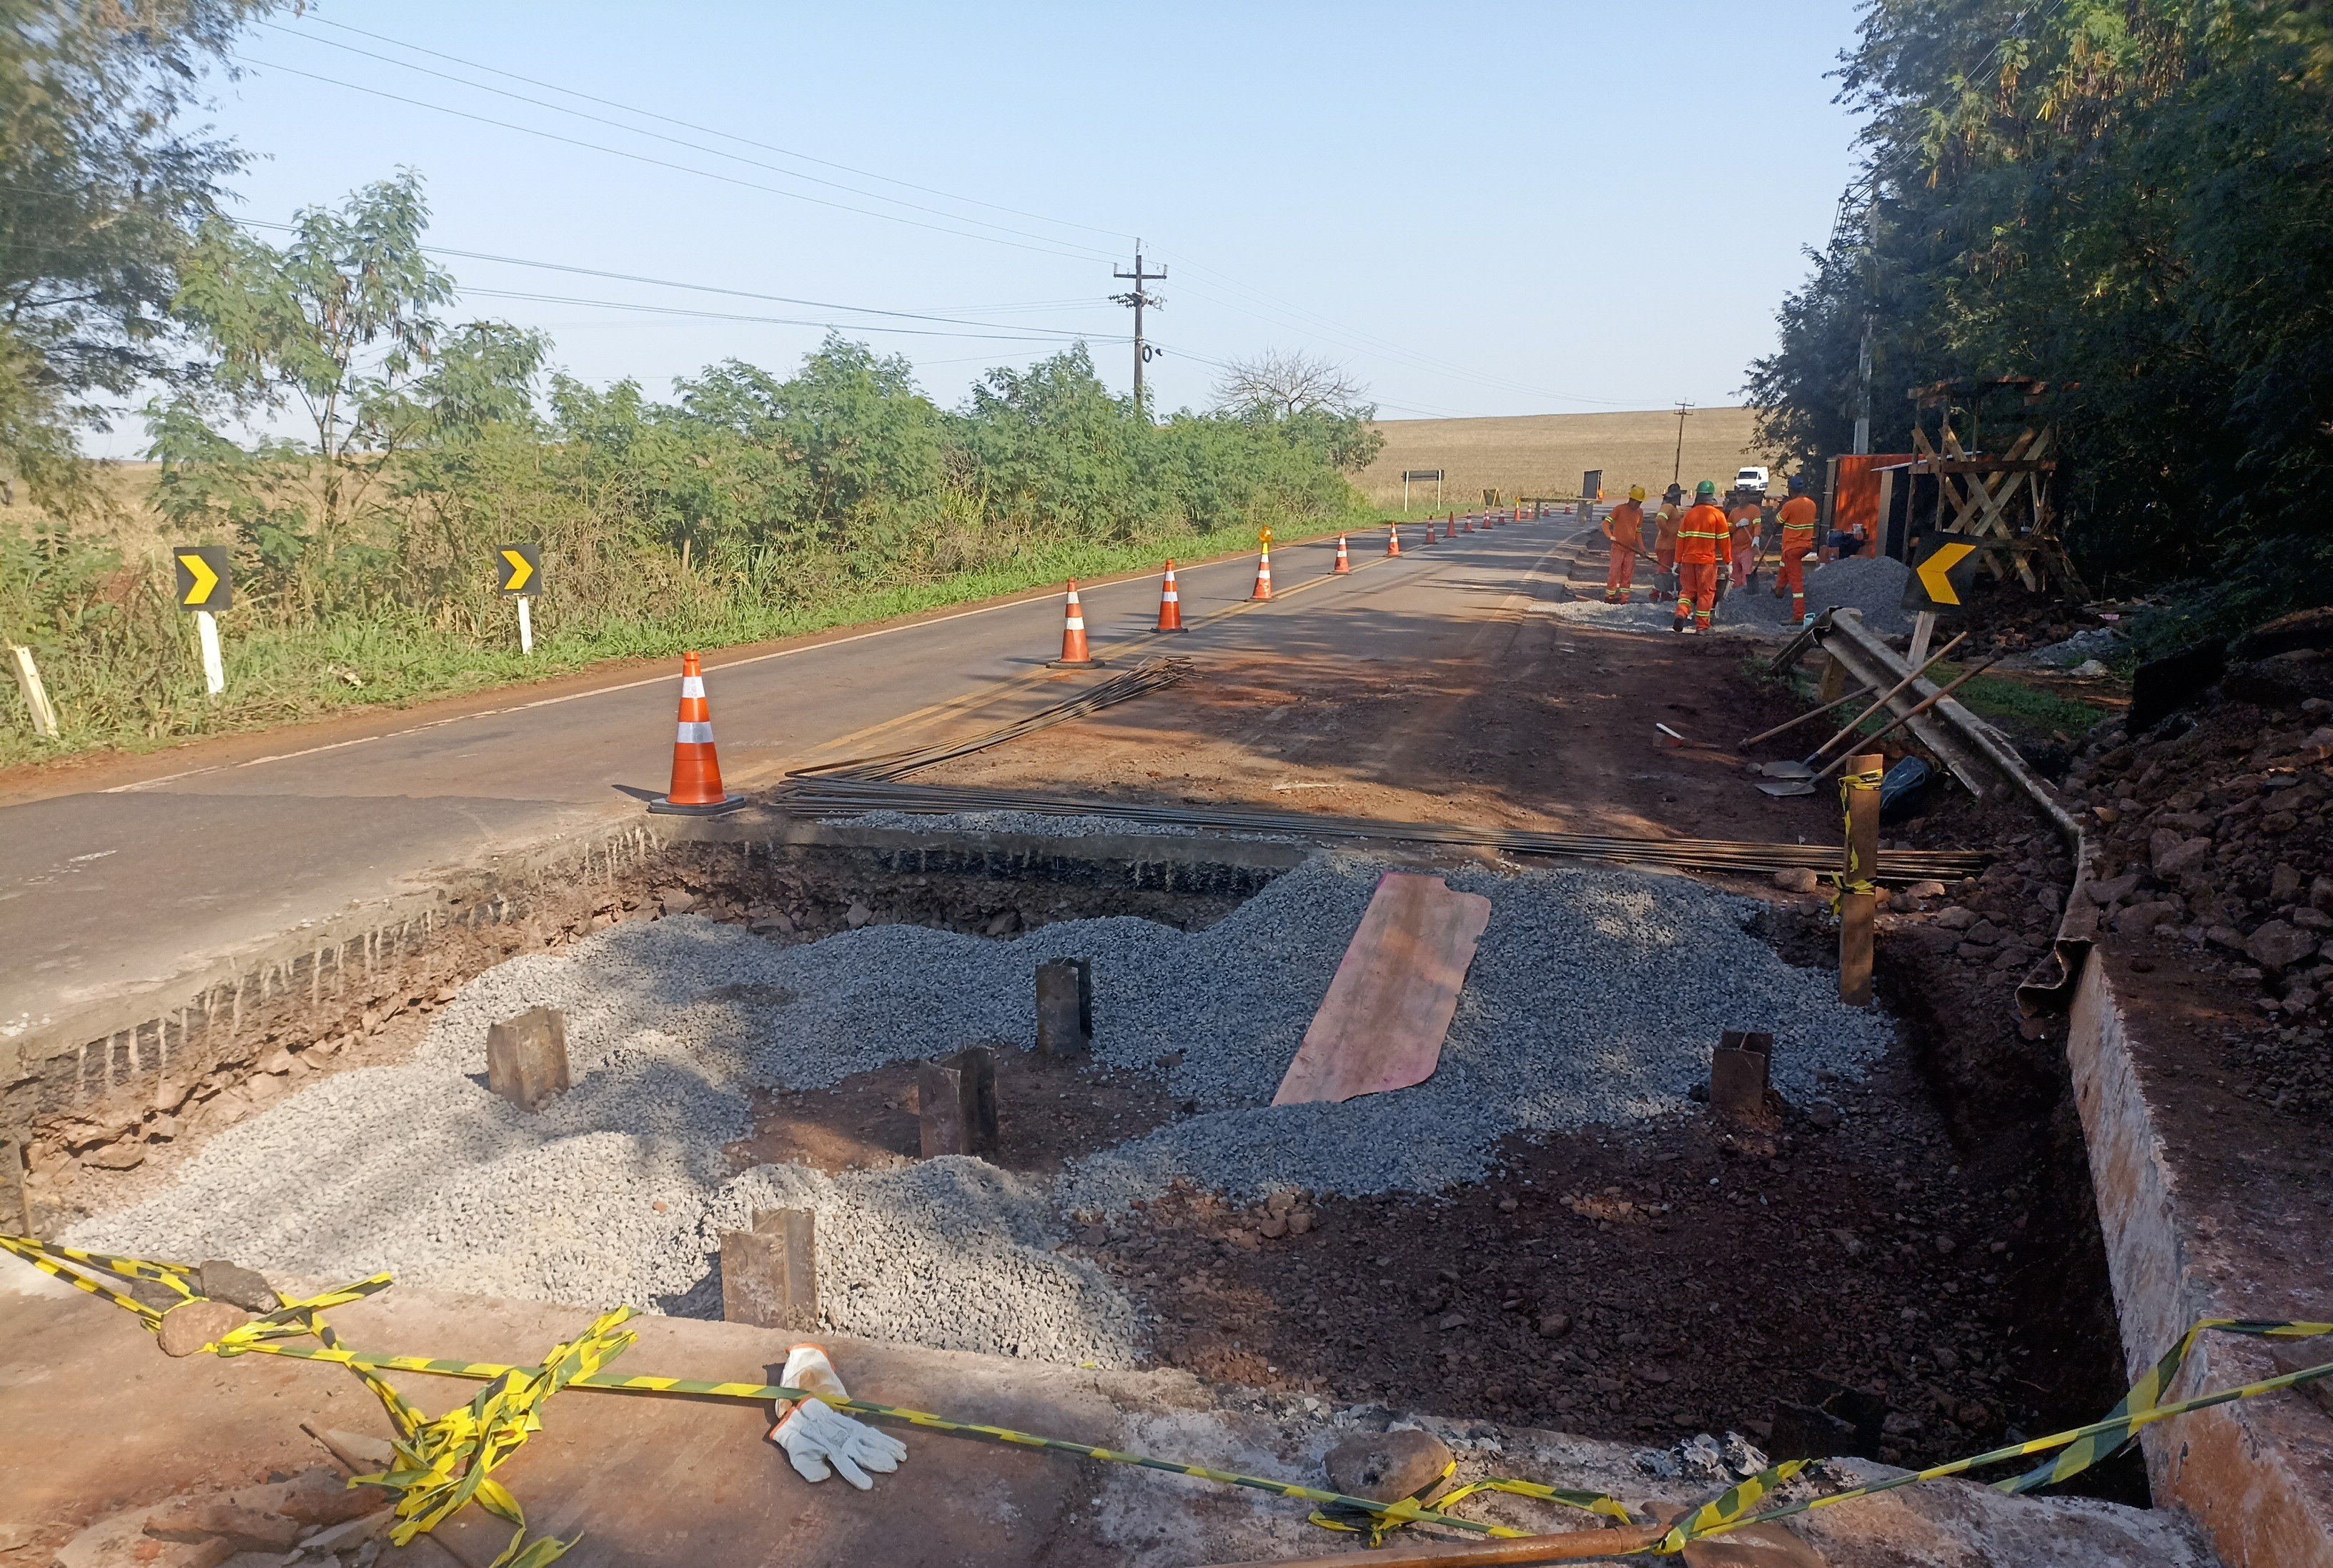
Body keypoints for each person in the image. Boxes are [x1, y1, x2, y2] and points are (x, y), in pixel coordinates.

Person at [1672, 480, 1730, 633]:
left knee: (1687, 592)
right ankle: (1703, 627)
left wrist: (1676, 562)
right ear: (1711, 496)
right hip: (1706, 563)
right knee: (1706, 593)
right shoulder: (1718, 515)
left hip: (1688, 561)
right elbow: (1724, 541)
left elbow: (1680, 540)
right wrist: (1728, 561)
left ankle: (1681, 613)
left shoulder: (1689, 515)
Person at [1773, 474, 1820, 625]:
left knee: (1796, 583)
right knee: (1783, 562)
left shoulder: (1790, 505)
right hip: (1805, 545)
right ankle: (1779, 588)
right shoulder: (1811, 504)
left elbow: (1778, 520)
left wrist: (1783, 508)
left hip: (1792, 547)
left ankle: (1799, 616)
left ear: (1790, 490)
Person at [1603, 485, 1648, 602]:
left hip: (1630, 550)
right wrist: (1610, 536)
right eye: (1638, 502)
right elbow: (1606, 524)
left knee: (1627, 575)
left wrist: (1642, 548)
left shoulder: (1640, 513)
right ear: (1631, 500)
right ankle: (1609, 597)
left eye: (1640, 503)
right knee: (1614, 572)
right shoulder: (1620, 509)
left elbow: (1638, 532)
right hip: (1618, 548)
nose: (1639, 505)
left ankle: (1624, 599)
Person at [1653, 483, 1684, 605]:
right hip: (1666, 546)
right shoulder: (1668, 507)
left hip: (1671, 546)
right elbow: (1660, 519)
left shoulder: (1673, 508)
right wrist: (1667, 533)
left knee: (1669, 572)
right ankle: (1657, 594)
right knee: (1664, 572)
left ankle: (1666, 594)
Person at [1728, 492, 1762, 590]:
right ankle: (1736, 595)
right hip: (1735, 548)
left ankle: (1747, 593)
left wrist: (1756, 537)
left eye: (1744, 495)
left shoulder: (1754, 510)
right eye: (1739, 495)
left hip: (1747, 548)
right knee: (1735, 574)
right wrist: (1737, 525)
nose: (1742, 498)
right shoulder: (1734, 512)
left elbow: (1757, 525)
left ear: (1748, 497)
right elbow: (1729, 529)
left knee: (1746, 572)